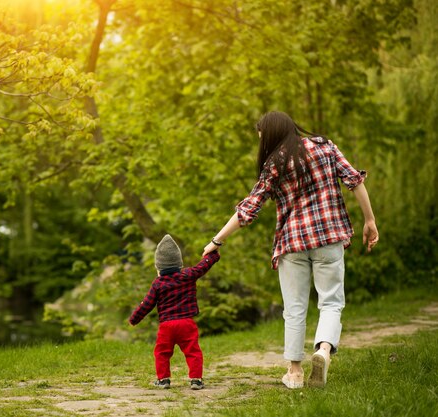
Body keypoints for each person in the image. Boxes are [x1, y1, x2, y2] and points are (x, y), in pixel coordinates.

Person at [202, 111, 379, 389]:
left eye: (262, 137)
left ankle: (295, 374)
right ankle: (323, 351)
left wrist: (216, 240)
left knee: (294, 308)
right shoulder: (324, 146)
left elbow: (249, 208)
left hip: (292, 243)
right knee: (331, 302)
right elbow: (355, 181)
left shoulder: (275, 163)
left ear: (271, 134)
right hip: (329, 237)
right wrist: (369, 220)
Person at [129, 234, 220, 390]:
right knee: (193, 351)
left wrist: (134, 319)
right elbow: (203, 266)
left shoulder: (157, 284)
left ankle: (163, 380)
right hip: (187, 323)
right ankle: (196, 380)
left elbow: (147, 304)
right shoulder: (188, 275)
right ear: (179, 263)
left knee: (162, 353)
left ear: (158, 267)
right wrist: (213, 254)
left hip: (167, 326)